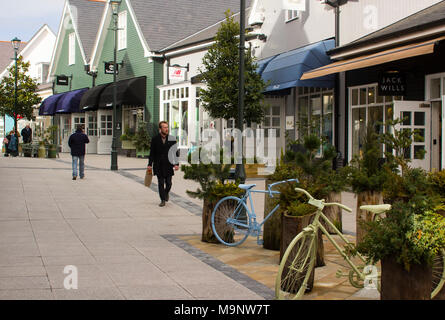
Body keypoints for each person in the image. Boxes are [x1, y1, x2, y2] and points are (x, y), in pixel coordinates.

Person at [147, 121, 179, 207]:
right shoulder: (155, 139)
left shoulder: (172, 139)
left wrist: (176, 164)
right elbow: (152, 153)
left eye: (167, 127)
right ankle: (162, 200)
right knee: (160, 183)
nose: (166, 129)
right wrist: (149, 164)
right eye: (164, 127)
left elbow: (175, 152)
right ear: (160, 129)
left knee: (169, 183)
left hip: (168, 165)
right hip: (158, 165)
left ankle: (166, 193)